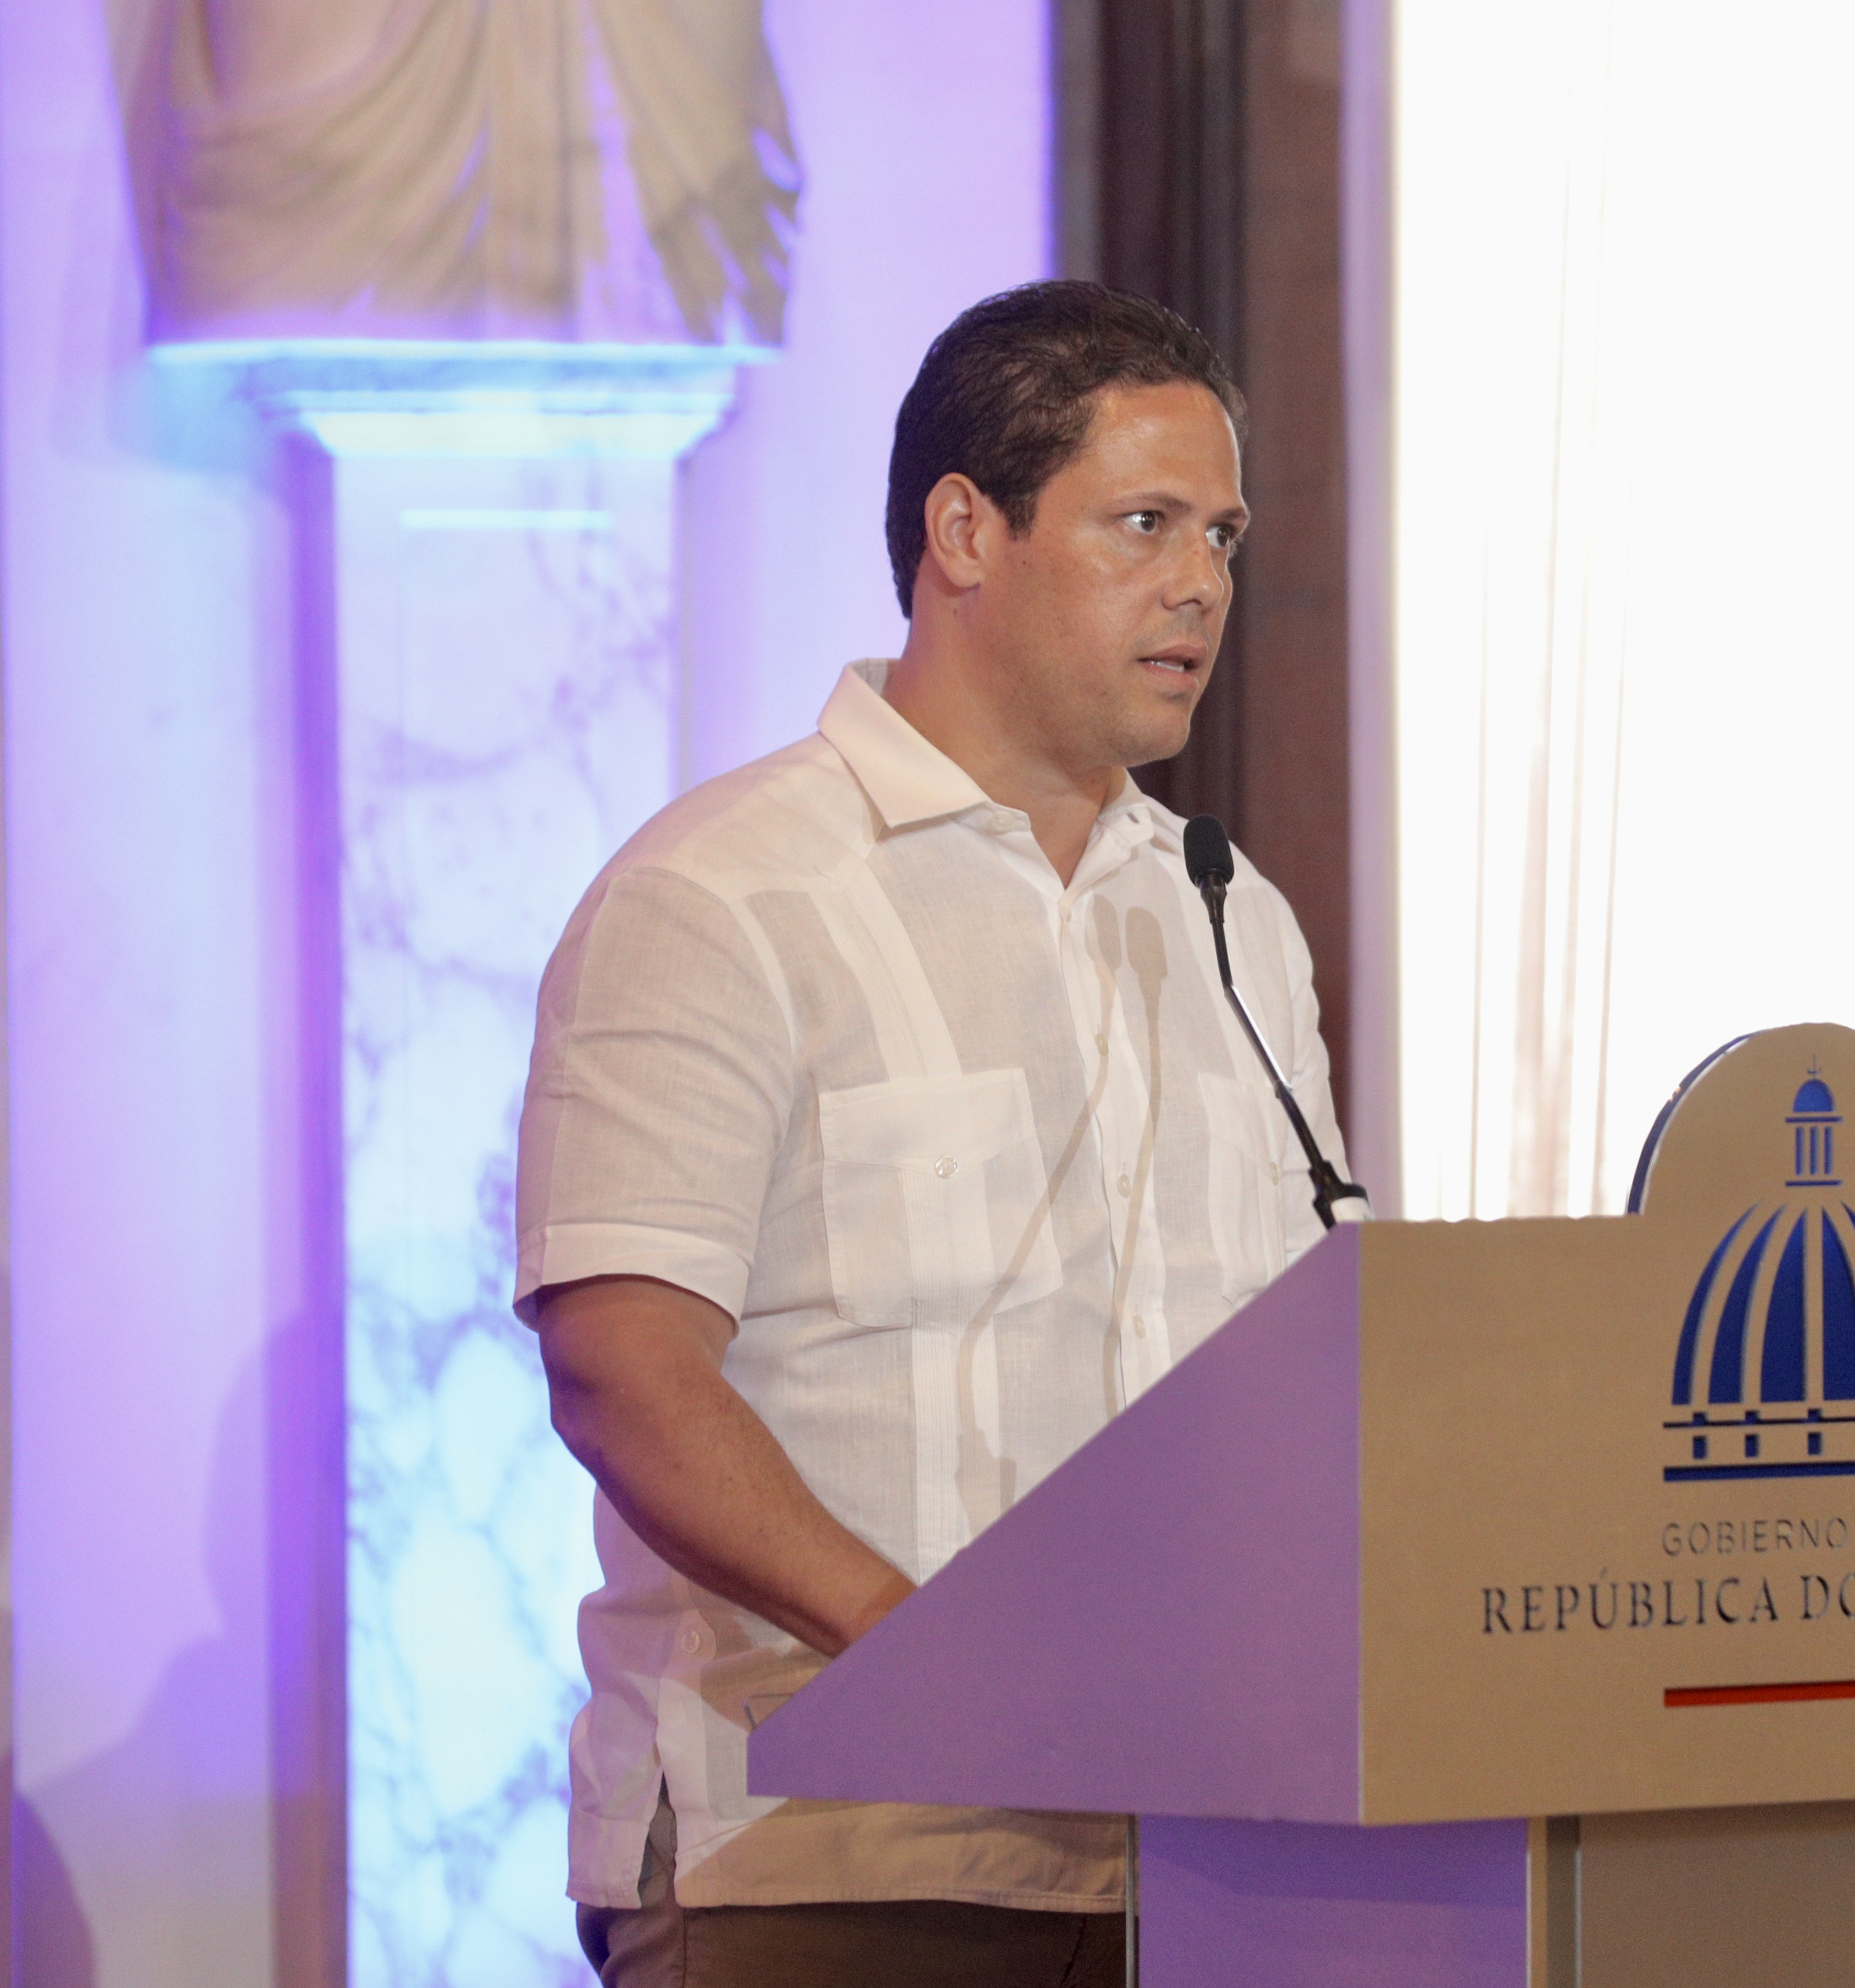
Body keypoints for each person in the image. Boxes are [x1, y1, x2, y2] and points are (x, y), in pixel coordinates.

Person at [514, 280, 1348, 1987]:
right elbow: (624, 1368)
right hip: (828, 1858)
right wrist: (937, 1659)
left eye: (1222, 536)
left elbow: (1301, 1368)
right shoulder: (724, 893)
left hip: (1202, 1864)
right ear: (966, 531)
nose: (1201, 583)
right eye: (1144, 524)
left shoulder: (1226, 914)